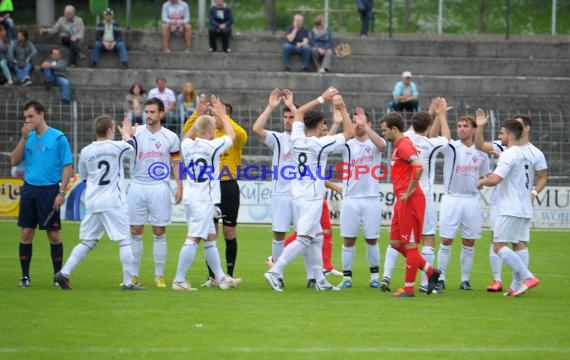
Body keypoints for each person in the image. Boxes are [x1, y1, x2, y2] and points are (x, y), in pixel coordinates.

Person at [264, 88, 356, 292]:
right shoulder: (320, 144)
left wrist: (321, 98)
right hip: (311, 198)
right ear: (320, 125)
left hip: (297, 195)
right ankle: (275, 270)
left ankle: (320, 280)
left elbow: (298, 113)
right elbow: (349, 134)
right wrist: (342, 108)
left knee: (317, 237)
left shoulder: (297, 138)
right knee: (304, 237)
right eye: (324, 123)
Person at [54, 116, 144, 291]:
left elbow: (84, 176)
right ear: (110, 130)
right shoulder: (117, 146)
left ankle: (64, 273)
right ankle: (127, 282)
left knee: (88, 241)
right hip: (113, 202)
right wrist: (127, 134)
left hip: (93, 202)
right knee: (125, 240)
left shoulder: (86, 151)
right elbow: (133, 149)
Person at [173, 95, 242, 291]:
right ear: (211, 131)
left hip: (193, 197)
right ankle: (179, 279)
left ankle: (221, 278)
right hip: (203, 200)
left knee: (211, 239)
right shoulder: (212, 146)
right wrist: (223, 116)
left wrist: (199, 115)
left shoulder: (188, 145)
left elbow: (186, 136)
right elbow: (232, 136)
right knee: (194, 238)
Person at [381, 99, 450, 293]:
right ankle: (430, 271)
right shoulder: (403, 141)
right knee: (395, 242)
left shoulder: (404, 144)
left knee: (410, 244)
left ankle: (409, 289)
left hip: (410, 199)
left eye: (385, 130)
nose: (383, 133)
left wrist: (410, 190)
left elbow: (418, 166)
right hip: (402, 200)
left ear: (394, 129)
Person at [475, 112, 548, 294]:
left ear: (509, 135)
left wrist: (482, 181)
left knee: (499, 246)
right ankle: (516, 286)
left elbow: (495, 180)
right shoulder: (515, 153)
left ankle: (527, 276)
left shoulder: (510, 154)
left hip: (509, 207)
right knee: (519, 244)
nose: (500, 137)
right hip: (523, 207)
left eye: (501, 133)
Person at [10, 100, 73, 288]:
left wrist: (61, 192)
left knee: (53, 236)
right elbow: (14, 161)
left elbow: (67, 166)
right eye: (25, 117)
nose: (27, 120)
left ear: (41, 115)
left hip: (50, 191)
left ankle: (57, 276)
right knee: (27, 233)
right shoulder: (27, 137)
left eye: (30, 116)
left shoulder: (58, 138)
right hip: (30, 190)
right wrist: (22, 138)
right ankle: (25, 276)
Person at [128, 97, 183, 288]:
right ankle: (133, 275)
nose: (149, 115)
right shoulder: (135, 133)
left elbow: (176, 163)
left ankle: (159, 275)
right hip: (137, 185)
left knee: (159, 231)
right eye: (147, 112)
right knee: (135, 231)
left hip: (159, 187)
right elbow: (125, 153)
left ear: (161, 114)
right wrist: (126, 137)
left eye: (152, 112)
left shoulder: (171, 137)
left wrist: (180, 186)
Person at [436, 115, 491, 291]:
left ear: (474, 129)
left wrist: (484, 181)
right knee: (446, 240)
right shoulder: (451, 147)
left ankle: (465, 280)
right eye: (459, 126)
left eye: (465, 126)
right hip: (452, 198)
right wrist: (440, 115)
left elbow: (485, 175)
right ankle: (441, 277)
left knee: (469, 242)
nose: (461, 129)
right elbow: (435, 134)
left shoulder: (482, 151)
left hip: (470, 200)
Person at [334, 106, 387, 289]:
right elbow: (326, 144)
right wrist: (337, 124)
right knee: (348, 239)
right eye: (354, 121)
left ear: (369, 123)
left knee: (372, 239)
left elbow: (382, 145)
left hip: (371, 199)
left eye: (360, 121)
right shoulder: (346, 144)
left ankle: (374, 277)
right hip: (350, 199)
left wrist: (366, 126)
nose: (357, 125)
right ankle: (347, 278)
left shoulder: (375, 144)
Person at [252, 88, 296, 267]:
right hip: (281, 194)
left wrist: (293, 107)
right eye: (285, 117)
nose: (287, 121)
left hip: (302, 194)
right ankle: (277, 272)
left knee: (309, 235)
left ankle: (313, 276)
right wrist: (270, 107)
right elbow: (256, 129)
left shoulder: (308, 139)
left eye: (291, 117)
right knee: (279, 234)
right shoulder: (278, 139)